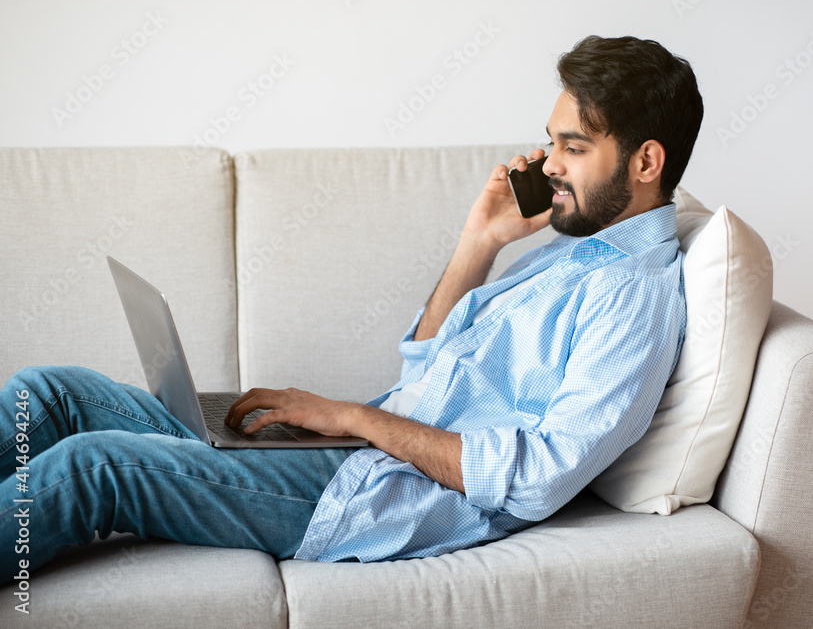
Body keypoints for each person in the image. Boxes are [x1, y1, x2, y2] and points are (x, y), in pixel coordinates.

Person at [1, 35, 702, 575]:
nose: (548, 162)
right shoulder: (578, 249)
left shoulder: (633, 296)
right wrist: (479, 242)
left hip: (366, 495)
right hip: (355, 451)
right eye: (552, 141)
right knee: (49, 393)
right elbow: (425, 360)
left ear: (645, 162)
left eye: (573, 147)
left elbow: (538, 477)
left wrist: (351, 417)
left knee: (94, 468)